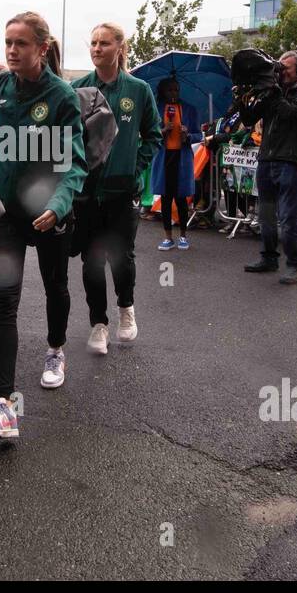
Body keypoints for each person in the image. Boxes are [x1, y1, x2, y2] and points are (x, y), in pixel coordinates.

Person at [0, 12, 86, 436]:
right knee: (4, 303)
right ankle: (3, 405)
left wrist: (57, 203)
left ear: (42, 48)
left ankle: (55, 349)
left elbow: (71, 162)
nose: (12, 51)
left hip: (50, 213)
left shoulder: (62, 97)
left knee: (56, 286)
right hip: (6, 216)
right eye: (7, 43)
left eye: (21, 43)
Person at [72, 23, 161, 354]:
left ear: (120, 48)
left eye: (104, 43)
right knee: (91, 260)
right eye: (93, 42)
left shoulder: (138, 90)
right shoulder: (78, 88)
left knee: (121, 257)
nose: (96, 48)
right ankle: (99, 322)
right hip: (86, 193)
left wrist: (135, 168)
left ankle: (126, 308)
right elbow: (67, 138)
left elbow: (154, 135)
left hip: (122, 192)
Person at [240, 51, 297, 285]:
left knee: (287, 216)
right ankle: (268, 258)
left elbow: (289, 112)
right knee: (265, 215)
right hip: (267, 158)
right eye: (279, 67)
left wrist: (272, 90)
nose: (280, 71)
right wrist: (244, 100)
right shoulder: (271, 92)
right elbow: (248, 120)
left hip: (290, 160)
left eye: (286, 67)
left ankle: (296, 265)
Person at [151, 78, 201, 251]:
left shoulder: (189, 109)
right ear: (163, 91)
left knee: (181, 198)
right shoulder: (156, 109)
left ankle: (183, 236)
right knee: (166, 197)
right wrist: (162, 131)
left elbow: (199, 135)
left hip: (182, 157)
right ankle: (167, 237)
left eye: (177, 90)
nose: (174, 93)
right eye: (170, 90)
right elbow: (150, 132)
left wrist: (188, 135)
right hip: (164, 157)